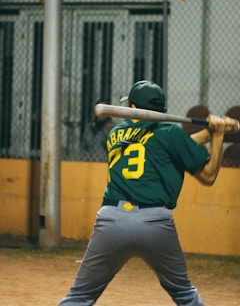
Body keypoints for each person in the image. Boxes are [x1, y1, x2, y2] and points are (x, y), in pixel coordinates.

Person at [58, 80, 238, 306]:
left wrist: (210, 132)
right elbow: (208, 175)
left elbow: (168, 147)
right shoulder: (171, 133)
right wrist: (218, 135)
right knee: (184, 294)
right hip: (155, 224)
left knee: (79, 297)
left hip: (111, 222)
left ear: (133, 109)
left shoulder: (115, 133)